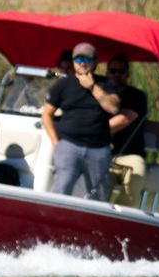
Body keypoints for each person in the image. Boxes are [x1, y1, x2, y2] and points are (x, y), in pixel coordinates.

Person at [42, 41, 121, 200]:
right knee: (61, 189)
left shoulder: (106, 84)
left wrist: (91, 86)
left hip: (98, 150)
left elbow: (113, 108)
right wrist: (56, 143)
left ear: (95, 62)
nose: (83, 62)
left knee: (99, 196)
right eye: (78, 59)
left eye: (87, 58)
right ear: (73, 62)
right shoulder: (63, 85)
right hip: (68, 146)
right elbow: (46, 114)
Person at [105, 54, 151, 201]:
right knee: (97, 189)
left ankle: (120, 217)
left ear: (128, 74)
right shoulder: (99, 94)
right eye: (113, 71)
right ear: (107, 73)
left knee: (135, 179)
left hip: (131, 155)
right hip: (102, 153)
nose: (116, 75)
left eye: (121, 71)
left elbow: (124, 119)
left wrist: (92, 131)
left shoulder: (136, 96)